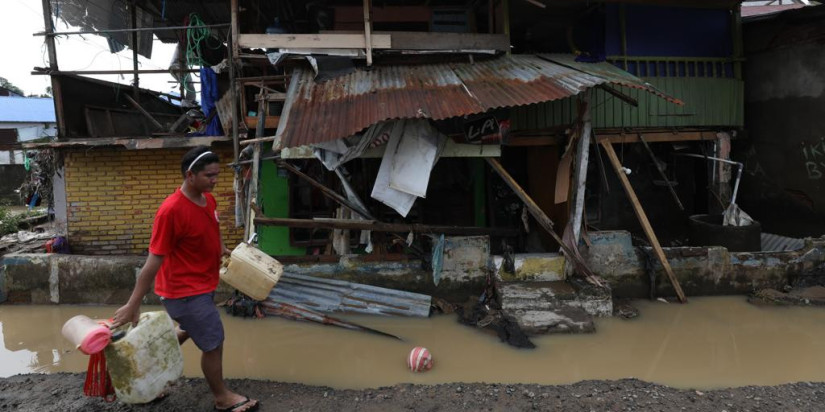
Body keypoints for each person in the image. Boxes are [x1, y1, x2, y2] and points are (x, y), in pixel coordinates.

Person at [112, 146, 259, 412]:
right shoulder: (171, 212)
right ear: (190, 175)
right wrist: (133, 304)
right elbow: (152, 262)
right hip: (183, 291)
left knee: (192, 329)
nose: (215, 180)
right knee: (213, 342)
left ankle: (143, 367)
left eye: (216, 175)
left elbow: (212, 227)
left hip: (202, 285)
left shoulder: (207, 199)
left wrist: (222, 248)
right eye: (209, 176)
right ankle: (222, 398)